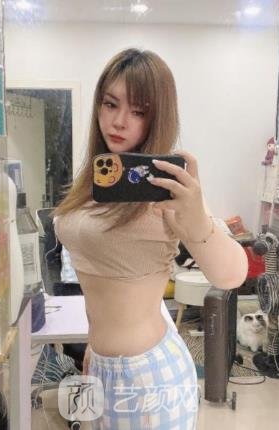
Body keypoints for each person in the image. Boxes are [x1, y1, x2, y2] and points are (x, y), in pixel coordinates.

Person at [53, 48, 248, 429]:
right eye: (110, 104)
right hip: (100, 365)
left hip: (147, 374)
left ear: (157, 117)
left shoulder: (166, 193)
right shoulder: (93, 182)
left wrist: (197, 222)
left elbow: (232, 275)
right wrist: (93, 347)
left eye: (139, 111)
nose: (119, 121)